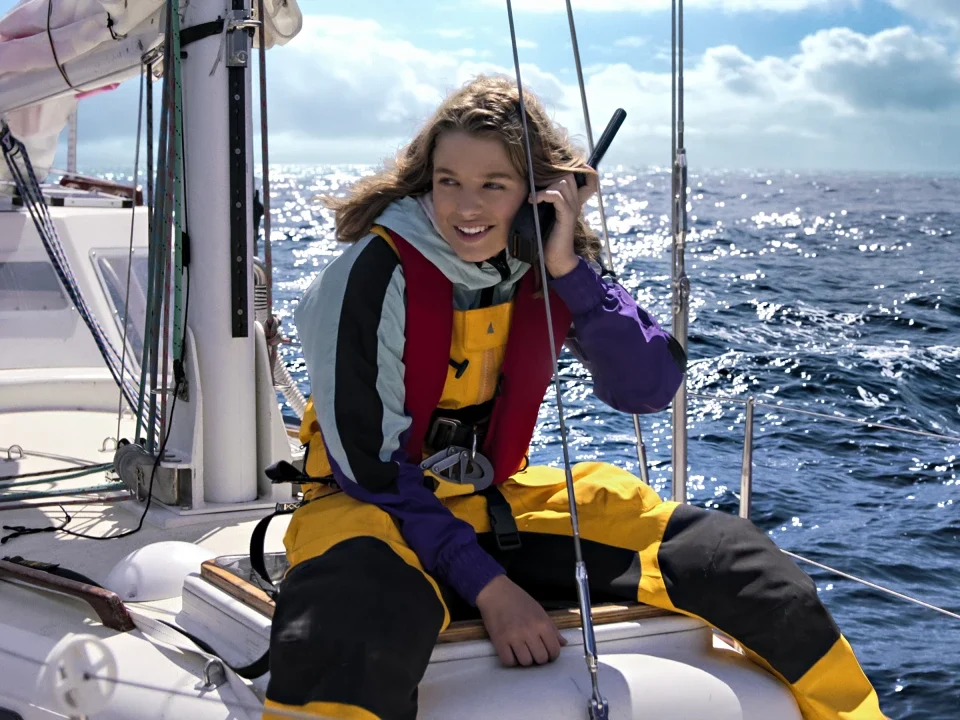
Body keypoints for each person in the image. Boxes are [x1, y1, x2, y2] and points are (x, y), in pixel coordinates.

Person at [262, 75, 885, 720]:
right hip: (369, 506)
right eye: (447, 181)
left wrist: (567, 267)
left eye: (493, 185)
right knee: (351, 615)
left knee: (733, 558)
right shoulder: (369, 275)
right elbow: (371, 469)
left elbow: (645, 388)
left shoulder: (546, 263)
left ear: (538, 193)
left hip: (494, 498)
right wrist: (490, 588)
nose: (464, 206)